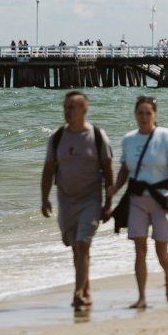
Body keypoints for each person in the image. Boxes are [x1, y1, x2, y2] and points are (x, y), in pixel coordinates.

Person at [106, 95, 168, 309]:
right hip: (137, 199)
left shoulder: (166, 137)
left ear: (155, 115)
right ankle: (141, 297)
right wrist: (114, 189)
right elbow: (124, 169)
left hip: (161, 199)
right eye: (140, 113)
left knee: (161, 251)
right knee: (139, 249)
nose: (143, 117)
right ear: (135, 115)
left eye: (148, 113)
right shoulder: (129, 139)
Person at [39, 91, 114, 310]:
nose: (67, 111)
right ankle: (86, 288)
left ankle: (78, 293)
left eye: (72, 107)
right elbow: (48, 170)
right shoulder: (57, 137)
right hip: (66, 201)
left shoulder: (98, 136)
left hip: (91, 200)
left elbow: (109, 172)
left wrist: (108, 203)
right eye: (65, 107)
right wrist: (44, 199)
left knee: (83, 244)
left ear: (84, 109)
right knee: (76, 248)